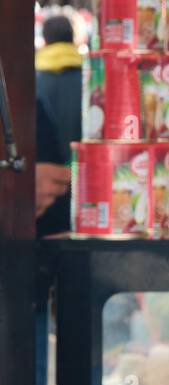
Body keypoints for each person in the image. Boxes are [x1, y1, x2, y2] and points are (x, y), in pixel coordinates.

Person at [35, 12, 82, 235]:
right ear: (73, 38)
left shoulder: (28, 83)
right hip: (77, 182)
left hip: (41, 200)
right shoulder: (90, 80)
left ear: (45, 40)